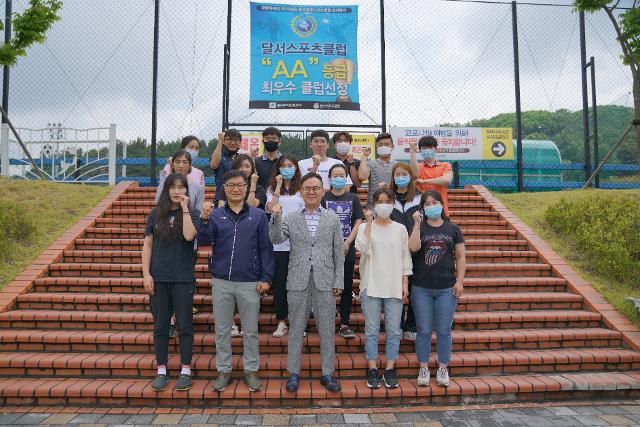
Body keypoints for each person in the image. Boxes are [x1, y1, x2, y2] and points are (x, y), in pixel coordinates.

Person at [197, 170, 274, 393]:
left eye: (240, 185)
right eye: (231, 185)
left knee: (250, 330)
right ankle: (224, 370)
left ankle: (251, 371)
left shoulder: (258, 216)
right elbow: (204, 240)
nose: (236, 189)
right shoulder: (216, 214)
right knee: (222, 330)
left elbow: (265, 249)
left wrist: (266, 278)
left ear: (246, 187)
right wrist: (203, 219)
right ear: (225, 189)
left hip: (250, 282)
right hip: (221, 281)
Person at [269, 172, 345, 393]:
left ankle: (327, 373)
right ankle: (294, 372)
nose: (311, 192)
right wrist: (275, 217)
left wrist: (338, 279)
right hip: (297, 278)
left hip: (325, 279)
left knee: (327, 329)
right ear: (300, 192)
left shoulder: (332, 217)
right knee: (296, 329)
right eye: (307, 188)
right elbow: (276, 239)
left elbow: (338, 253)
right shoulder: (290, 217)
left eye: (316, 188)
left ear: (323, 191)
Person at [143, 173, 200, 392]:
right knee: (160, 326)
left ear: (187, 191)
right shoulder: (156, 214)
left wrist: (185, 209)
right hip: (159, 277)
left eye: (182, 187)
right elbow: (147, 246)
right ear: (166, 190)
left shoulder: (192, 213)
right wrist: (146, 275)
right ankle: (162, 371)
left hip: (183, 277)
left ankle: (185, 370)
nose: (178, 191)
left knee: (185, 325)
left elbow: (189, 236)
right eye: (173, 187)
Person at [355, 188, 412, 389]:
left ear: (393, 203)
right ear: (373, 204)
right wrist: (369, 222)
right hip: (370, 285)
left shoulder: (400, 229)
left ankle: (389, 368)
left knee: (394, 331)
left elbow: (405, 257)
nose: (383, 205)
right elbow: (362, 247)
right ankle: (372, 368)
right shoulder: (364, 227)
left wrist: (405, 283)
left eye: (387, 201)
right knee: (371, 330)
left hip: (394, 285)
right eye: (379, 201)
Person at [408, 190, 466, 388]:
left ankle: (443, 367)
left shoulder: (453, 229)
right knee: (423, 330)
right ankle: (423, 367)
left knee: (444, 330)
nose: (432, 206)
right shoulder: (419, 227)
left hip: (446, 288)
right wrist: (416, 224)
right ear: (422, 208)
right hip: (421, 287)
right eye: (427, 204)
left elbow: (460, 257)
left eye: (435, 203)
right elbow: (413, 248)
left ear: (442, 204)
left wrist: (460, 281)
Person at [321, 163, 364, 339]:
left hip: (347, 249)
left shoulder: (353, 198)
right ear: (330, 178)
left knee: (346, 288)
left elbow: (357, 222)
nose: (338, 178)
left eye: (341, 175)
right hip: (326, 251)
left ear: (346, 177)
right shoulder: (323, 197)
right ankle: (326, 322)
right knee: (325, 288)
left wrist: (347, 243)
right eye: (335, 175)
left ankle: (344, 324)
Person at [265, 154, 305, 338]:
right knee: (280, 284)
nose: (287, 168)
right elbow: (270, 208)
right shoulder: (273, 188)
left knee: (298, 285)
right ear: (278, 169)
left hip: (299, 243)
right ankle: (282, 321)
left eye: (291, 165)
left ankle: (298, 322)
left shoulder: (302, 188)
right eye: (284, 165)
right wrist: (279, 186)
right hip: (279, 243)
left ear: (296, 168)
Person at [389, 162, 422, 341]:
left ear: (410, 176)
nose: (401, 177)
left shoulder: (419, 198)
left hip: (416, 251)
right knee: (397, 291)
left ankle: (411, 326)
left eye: (404, 173)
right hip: (394, 253)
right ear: (393, 178)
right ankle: (397, 325)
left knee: (415, 290)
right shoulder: (388, 198)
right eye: (397, 174)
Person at [358, 133, 419, 207]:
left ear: (392, 146)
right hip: (374, 207)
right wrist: (364, 156)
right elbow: (362, 176)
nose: (383, 147)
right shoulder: (370, 163)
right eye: (380, 145)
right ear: (376, 146)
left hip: (394, 206)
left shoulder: (397, 166)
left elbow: (415, 175)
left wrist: (412, 151)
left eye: (387, 144)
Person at [415, 136, 452, 215]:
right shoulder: (417, 167)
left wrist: (424, 182)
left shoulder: (445, 165)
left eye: (431, 147)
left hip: (442, 211)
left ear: (436, 149)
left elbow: (446, 180)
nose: (427, 150)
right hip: (422, 211)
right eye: (424, 148)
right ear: (420, 150)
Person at [210, 128, 242, 197]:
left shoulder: (241, 159)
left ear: (240, 143)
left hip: (239, 197)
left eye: (236, 140)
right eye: (229, 139)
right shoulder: (218, 156)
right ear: (224, 141)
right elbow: (214, 165)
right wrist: (220, 141)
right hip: (221, 197)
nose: (232, 143)